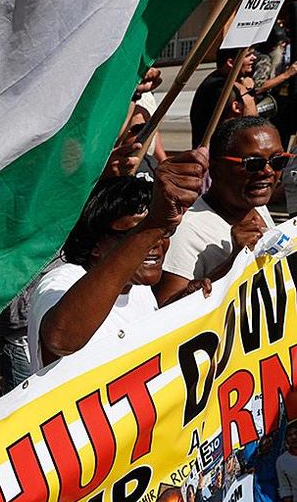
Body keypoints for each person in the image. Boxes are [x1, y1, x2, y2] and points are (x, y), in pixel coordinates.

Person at [29, 157, 205, 372]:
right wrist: (152, 225)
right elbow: (61, 339)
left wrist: (184, 305)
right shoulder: (61, 281)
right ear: (95, 243)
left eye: (165, 232)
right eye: (135, 233)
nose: (155, 242)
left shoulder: (140, 290)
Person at [156, 117, 283, 305]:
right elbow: (166, 311)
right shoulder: (186, 230)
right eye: (253, 163)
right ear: (215, 169)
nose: (268, 171)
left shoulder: (255, 205)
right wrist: (234, 260)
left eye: (278, 161)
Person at [190, 47, 258, 147]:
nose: (254, 57)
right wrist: (247, 93)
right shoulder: (221, 89)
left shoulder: (220, 80)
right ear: (230, 62)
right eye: (247, 55)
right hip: (217, 156)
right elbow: (250, 125)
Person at [276, 421, 297, 502]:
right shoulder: (282, 461)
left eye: (296, 433)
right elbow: (285, 489)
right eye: (290, 435)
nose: (293, 437)